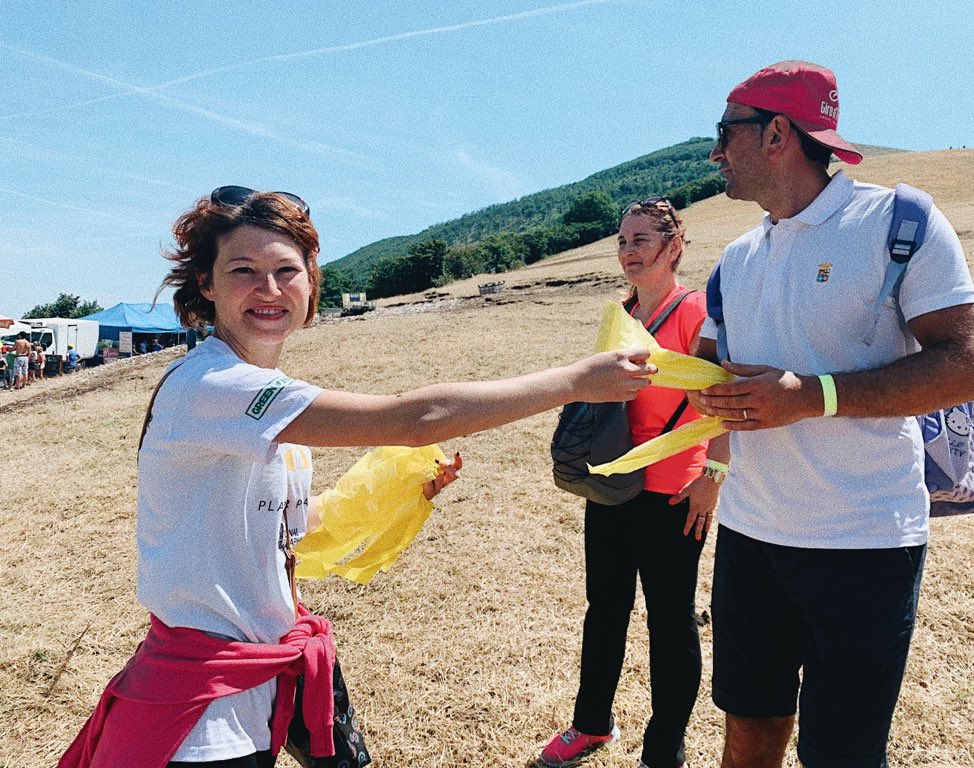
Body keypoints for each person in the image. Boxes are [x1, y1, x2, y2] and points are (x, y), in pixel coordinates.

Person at [59, 186, 656, 768]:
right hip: (205, 697)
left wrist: (400, 491)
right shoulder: (211, 385)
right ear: (207, 285)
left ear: (311, 282)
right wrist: (576, 381)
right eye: (243, 271)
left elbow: (289, 525)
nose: (269, 289)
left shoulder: (263, 398)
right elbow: (413, 419)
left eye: (287, 270)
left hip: (272, 654)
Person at [691, 61, 974, 768]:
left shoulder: (897, 222)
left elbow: (973, 366)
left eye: (723, 133)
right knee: (748, 732)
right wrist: (692, 388)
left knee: (841, 753)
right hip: (751, 534)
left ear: (776, 133)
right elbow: (709, 370)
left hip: (864, 543)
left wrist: (811, 396)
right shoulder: (736, 258)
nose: (715, 154)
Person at [539, 197, 728, 768]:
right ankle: (592, 723)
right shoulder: (622, 314)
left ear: (674, 247)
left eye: (641, 240)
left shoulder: (696, 312)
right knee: (605, 608)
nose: (627, 252)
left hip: (676, 489)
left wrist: (713, 475)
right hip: (616, 483)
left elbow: (724, 400)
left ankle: (665, 749)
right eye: (622, 241)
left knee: (670, 618)